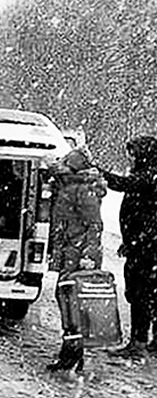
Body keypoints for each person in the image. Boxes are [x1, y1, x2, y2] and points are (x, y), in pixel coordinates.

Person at [46, 148, 107, 373]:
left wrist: (88, 257)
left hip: (78, 255)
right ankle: (71, 350)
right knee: (67, 301)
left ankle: (72, 352)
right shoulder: (72, 184)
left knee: (72, 303)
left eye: (66, 163)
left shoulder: (83, 189)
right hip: (71, 252)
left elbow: (94, 225)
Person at [101, 135, 157, 357]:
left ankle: (138, 343)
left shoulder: (150, 176)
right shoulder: (148, 174)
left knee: (140, 293)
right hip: (143, 244)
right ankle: (150, 341)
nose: (131, 158)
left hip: (147, 248)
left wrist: (96, 171)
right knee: (150, 293)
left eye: (133, 154)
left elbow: (124, 185)